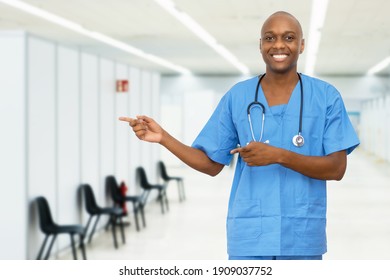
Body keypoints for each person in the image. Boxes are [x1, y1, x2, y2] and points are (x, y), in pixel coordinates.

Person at [119, 11, 359, 260]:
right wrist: (164, 138)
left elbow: (336, 168)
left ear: (302, 45)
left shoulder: (326, 97)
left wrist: (278, 155)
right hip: (250, 234)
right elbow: (211, 164)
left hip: (302, 234)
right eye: (269, 38)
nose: (278, 45)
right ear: (261, 45)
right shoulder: (238, 97)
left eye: (288, 37)